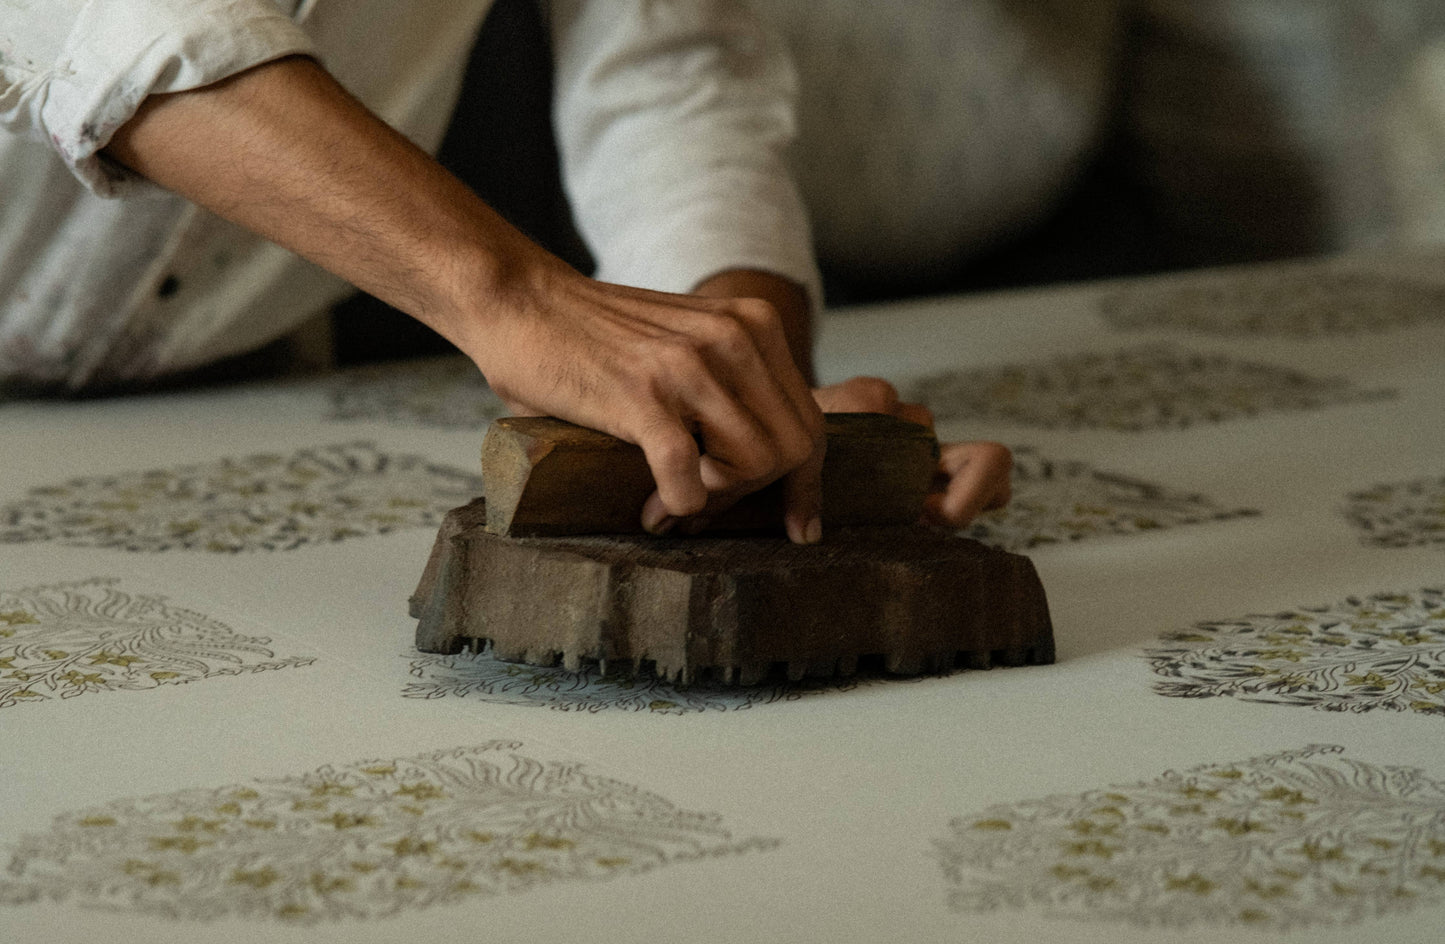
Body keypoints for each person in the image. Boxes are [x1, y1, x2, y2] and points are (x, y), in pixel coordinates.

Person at [0, 0, 1010, 539]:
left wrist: (735, 375)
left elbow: (668, 70)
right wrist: (513, 296)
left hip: (255, 384)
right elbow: (117, 23)